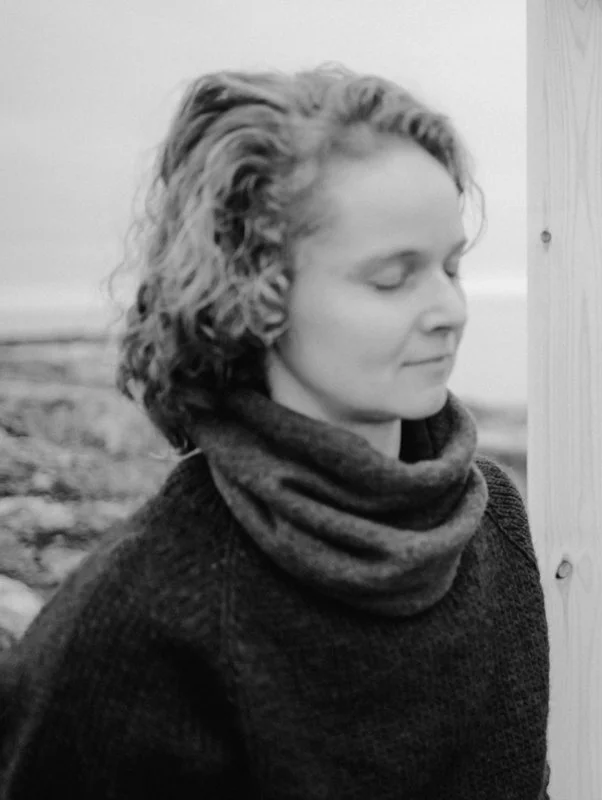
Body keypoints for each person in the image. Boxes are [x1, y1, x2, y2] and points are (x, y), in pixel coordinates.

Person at [0, 66, 551, 799]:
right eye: (393, 277)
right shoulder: (139, 625)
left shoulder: (492, 523)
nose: (451, 308)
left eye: (451, 265)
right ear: (254, 293)